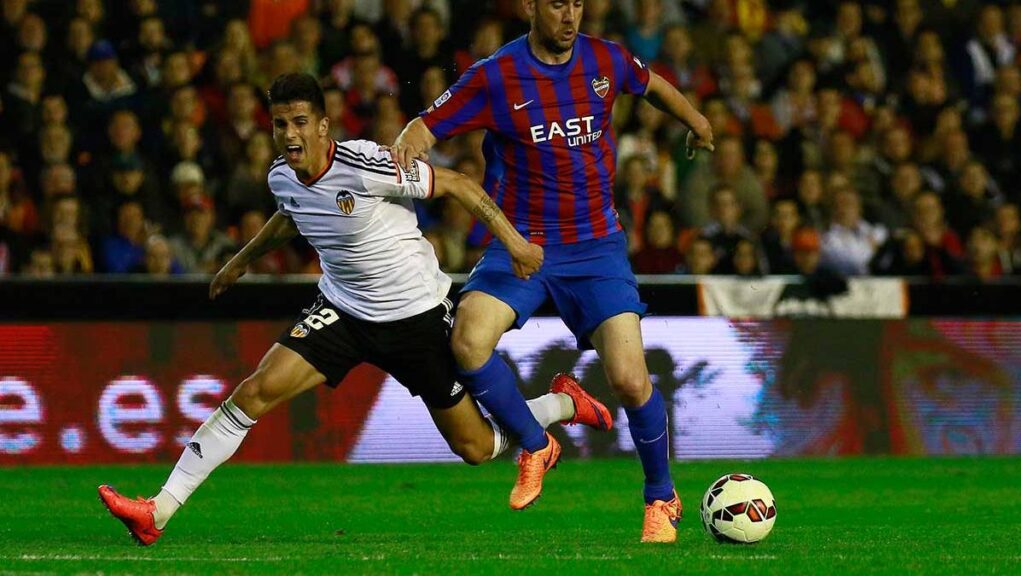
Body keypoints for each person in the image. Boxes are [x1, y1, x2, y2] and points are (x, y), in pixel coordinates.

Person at [98, 73, 613, 546]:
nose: (289, 134)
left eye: (300, 122)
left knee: (475, 448)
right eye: (280, 124)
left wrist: (518, 245)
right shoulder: (282, 176)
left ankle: (562, 403)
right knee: (254, 391)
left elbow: (457, 184)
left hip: (417, 317)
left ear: (324, 125)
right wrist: (240, 263)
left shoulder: (367, 165)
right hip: (343, 312)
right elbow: (288, 215)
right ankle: (157, 511)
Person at [391, 0, 714, 543]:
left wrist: (697, 121)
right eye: (558, 4)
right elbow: (426, 126)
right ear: (530, 7)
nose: (570, 15)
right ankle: (536, 444)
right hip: (522, 247)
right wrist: (405, 146)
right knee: (467, 342)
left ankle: (661, 497)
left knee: (632, 381)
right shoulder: (496, 74)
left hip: (596, 248)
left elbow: (651, 83)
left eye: (578, 4)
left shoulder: (605, 60)